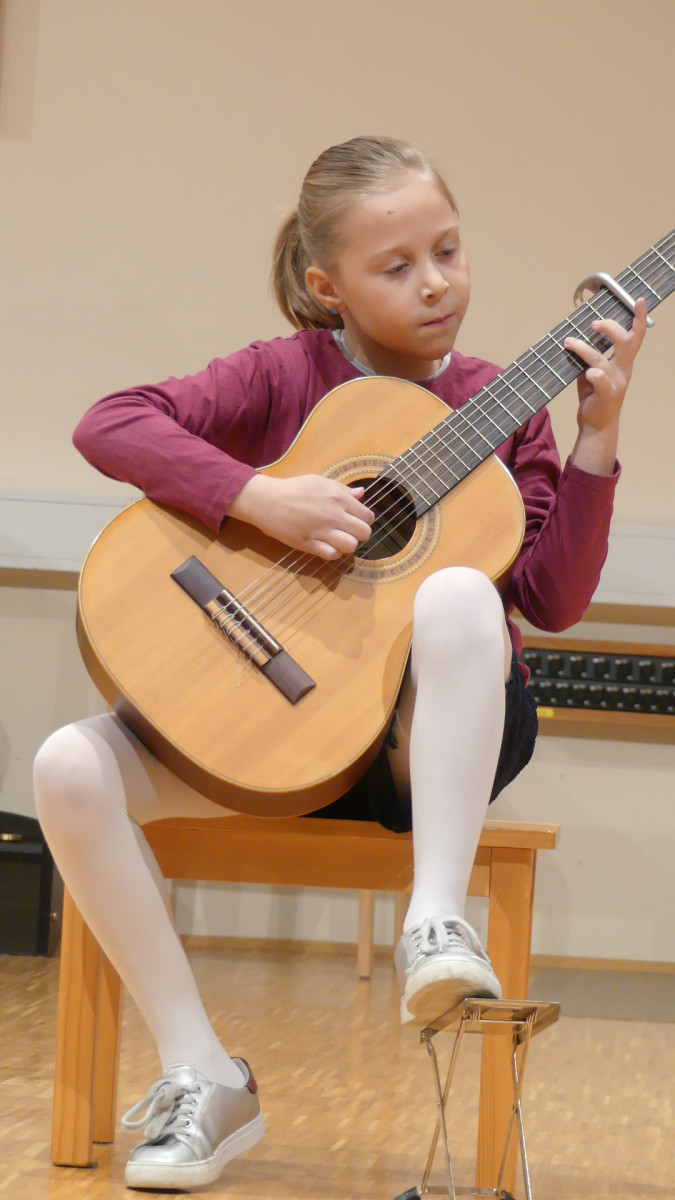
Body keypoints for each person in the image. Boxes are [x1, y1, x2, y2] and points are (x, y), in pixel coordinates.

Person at [33, 135, 646, 1191]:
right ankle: (201, 1071)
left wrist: (597, 435)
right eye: (396, 265)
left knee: (458, 594)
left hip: (421, 746)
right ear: (328, 288)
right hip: (279, 728)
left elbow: (550, 599)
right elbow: (111, 423)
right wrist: (258, 496)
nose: (435, 282)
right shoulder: (283, 374)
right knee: (66, 768)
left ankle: (434, 922)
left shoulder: (505, 407)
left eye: (447, 250)